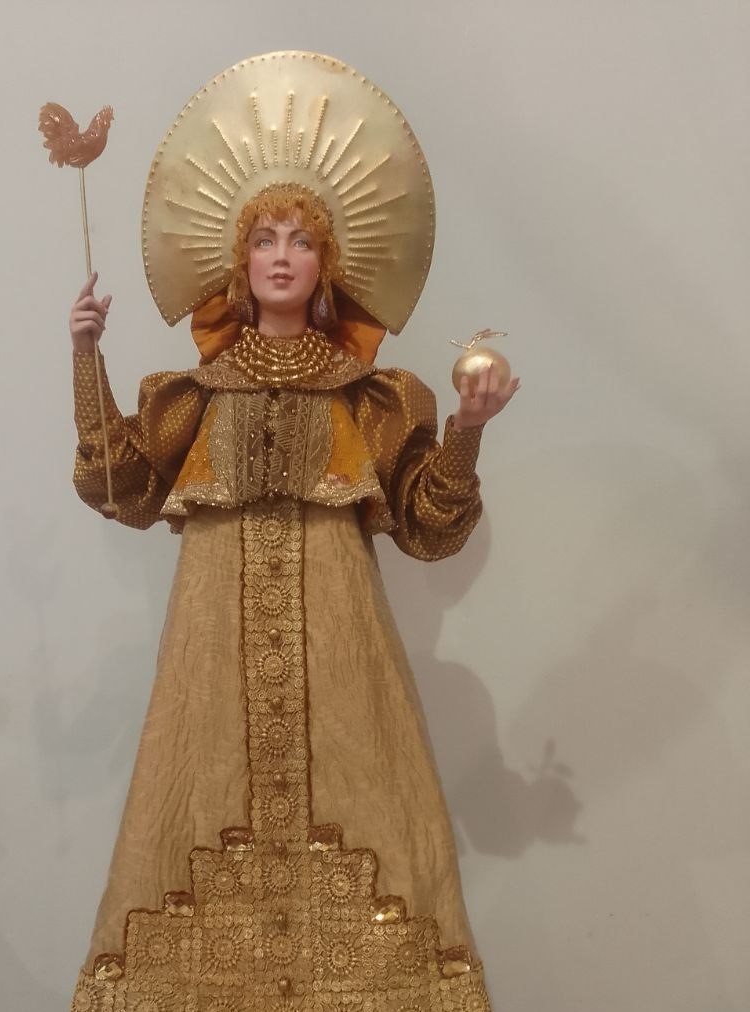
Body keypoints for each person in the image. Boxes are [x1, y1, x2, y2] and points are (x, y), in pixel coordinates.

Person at [65, 54, 517, 1012]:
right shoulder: (193, 394)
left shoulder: (370, 395)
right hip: (210, 657)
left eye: (300, 241)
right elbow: (120, 485)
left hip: (341, 648)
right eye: (264, 239)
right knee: (195, 806)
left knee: (371, 808)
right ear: (239, 263)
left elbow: (430, 525)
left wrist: (468, 430)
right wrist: (85, 356)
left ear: (325, 266)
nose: (280, 255)